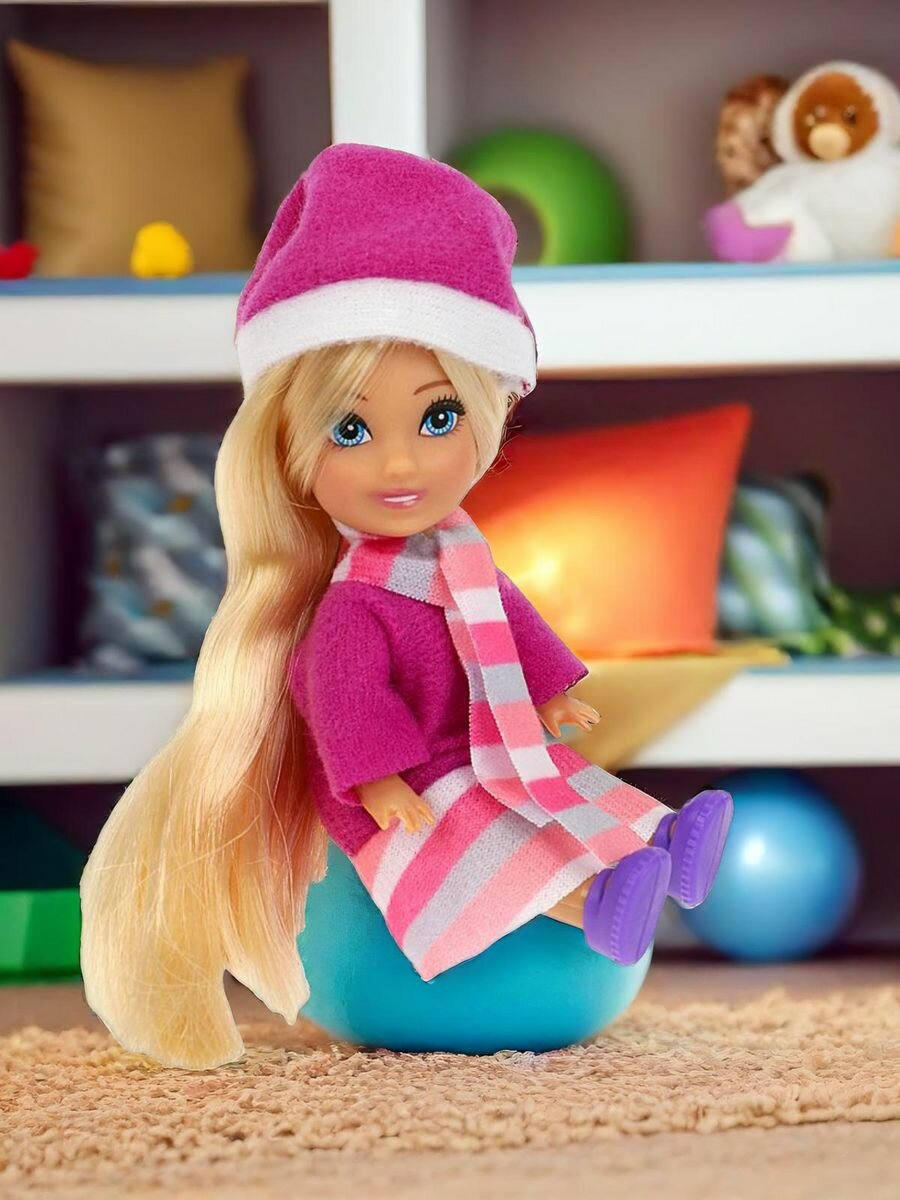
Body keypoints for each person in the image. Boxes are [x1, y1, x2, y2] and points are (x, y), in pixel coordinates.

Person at [80, 143, 732, 1070]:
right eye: (350, 429)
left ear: (485, 415)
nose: (399, 463)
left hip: (475, 745)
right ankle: (598, 908)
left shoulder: (458, 553)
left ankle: (666, 843)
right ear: (292, 451)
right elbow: (342, 697)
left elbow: (508, 620)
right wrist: (379, 780)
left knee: (567, 790)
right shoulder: (353, 605)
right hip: (410, 782)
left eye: (438, 418)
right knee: (498, 848)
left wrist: (549, 692)